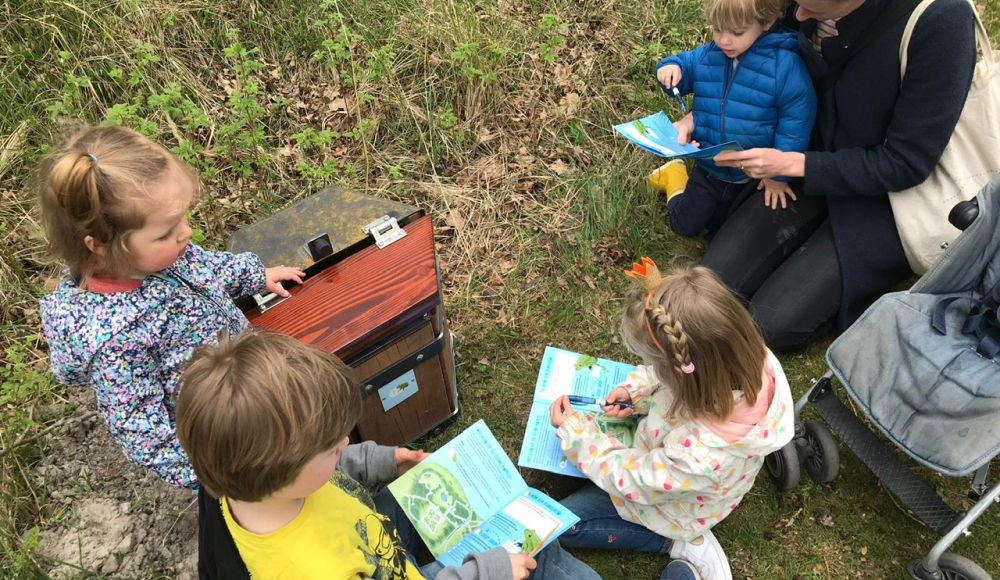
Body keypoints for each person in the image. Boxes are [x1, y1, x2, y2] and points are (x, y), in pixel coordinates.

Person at [176, 330, 607, 580]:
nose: (346, 445)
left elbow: (336, 471)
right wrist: (486, 572)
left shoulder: (254, 484)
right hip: (392, 569)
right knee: (534, 553)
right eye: (332, 446)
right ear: (280, 473)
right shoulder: (314, 570)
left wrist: (383, 461)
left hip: (371, 534)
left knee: (459, 493)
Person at [695, 0, 978, 351]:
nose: (798, 16)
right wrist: (699, 114)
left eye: (814, 12)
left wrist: (794, 165)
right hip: (807, 156)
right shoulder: (805, 4)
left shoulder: (942, 19)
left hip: (886, 199)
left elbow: (906, 162)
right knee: (714, 284)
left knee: (772, 325)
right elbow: (750, 56)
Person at [36, 125, 305, 489]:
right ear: (100, 245)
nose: (186, 233)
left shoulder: (164, 255)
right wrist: (217, 480)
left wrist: (254, 274)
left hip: (245, 376)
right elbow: (144, 432)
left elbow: (204, 267)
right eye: (165, 232)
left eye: (182, 217)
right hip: (228, 432)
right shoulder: (115, 340)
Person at [550, 259, 794, 580]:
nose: (650, 367)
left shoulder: (698, 454)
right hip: (675, 471)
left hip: (669, 509)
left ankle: (676, 542)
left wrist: (579, 438)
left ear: (680, 375)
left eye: (653, 362)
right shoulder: (743, 357)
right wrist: (637, 392)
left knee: (559, 524)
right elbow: (670, 374)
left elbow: (637, 480)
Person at [648, 0, 816, 238]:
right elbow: (683, 68)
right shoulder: (709, 55)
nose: (724, 40)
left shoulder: (785, 66)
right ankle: (674, 174)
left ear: (766, 22)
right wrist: (670, 69)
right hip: (709, 166)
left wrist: (777, 176)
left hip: (752, 176)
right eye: (717, 29)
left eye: (737, 32)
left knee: (722, 233)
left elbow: (795, 125)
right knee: (684, 224)